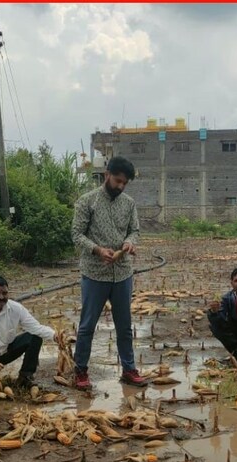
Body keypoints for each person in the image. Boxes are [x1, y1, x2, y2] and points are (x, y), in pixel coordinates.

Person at [70, 155, 148, 390]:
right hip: (95, 273)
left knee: (124, 325)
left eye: (125, 183)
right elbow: (76, 234)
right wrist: (96, 249)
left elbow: (134, 230)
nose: (121, 186)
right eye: (117, 181)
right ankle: (81, 371)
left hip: (122, 272)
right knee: (87, 326)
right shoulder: (87, 202)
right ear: (107, 175)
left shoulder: (129, 203)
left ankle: (129, 369)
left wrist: (129, 243)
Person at [0, 275, 56, 387]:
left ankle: (25, 377)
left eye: (5, 293)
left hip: (5, 352)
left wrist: (57, 336)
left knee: (34, 337)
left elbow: (36, 328)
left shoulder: (16, 308)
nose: (1, 297)